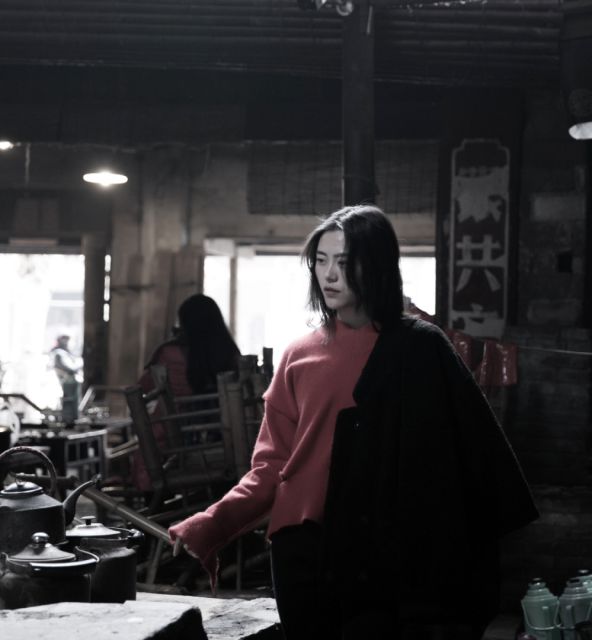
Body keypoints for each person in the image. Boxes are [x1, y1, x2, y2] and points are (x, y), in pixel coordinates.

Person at [168, 206, 538, 639]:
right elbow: (272, 467)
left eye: (344, 262)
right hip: (304, 553)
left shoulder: (419, 347)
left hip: (385, 558)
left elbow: (466, 462)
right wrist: (212, 522)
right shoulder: (298, 355)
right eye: (321, 260)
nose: (329, 275)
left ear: (377, 265)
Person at [132, 293, 240, 490]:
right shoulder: (230, 353)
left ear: (184, 323)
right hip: (228, 441)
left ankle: (149, 496)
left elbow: (142, 387)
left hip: (177, 445)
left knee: (151, 436)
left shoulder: (168, 354)